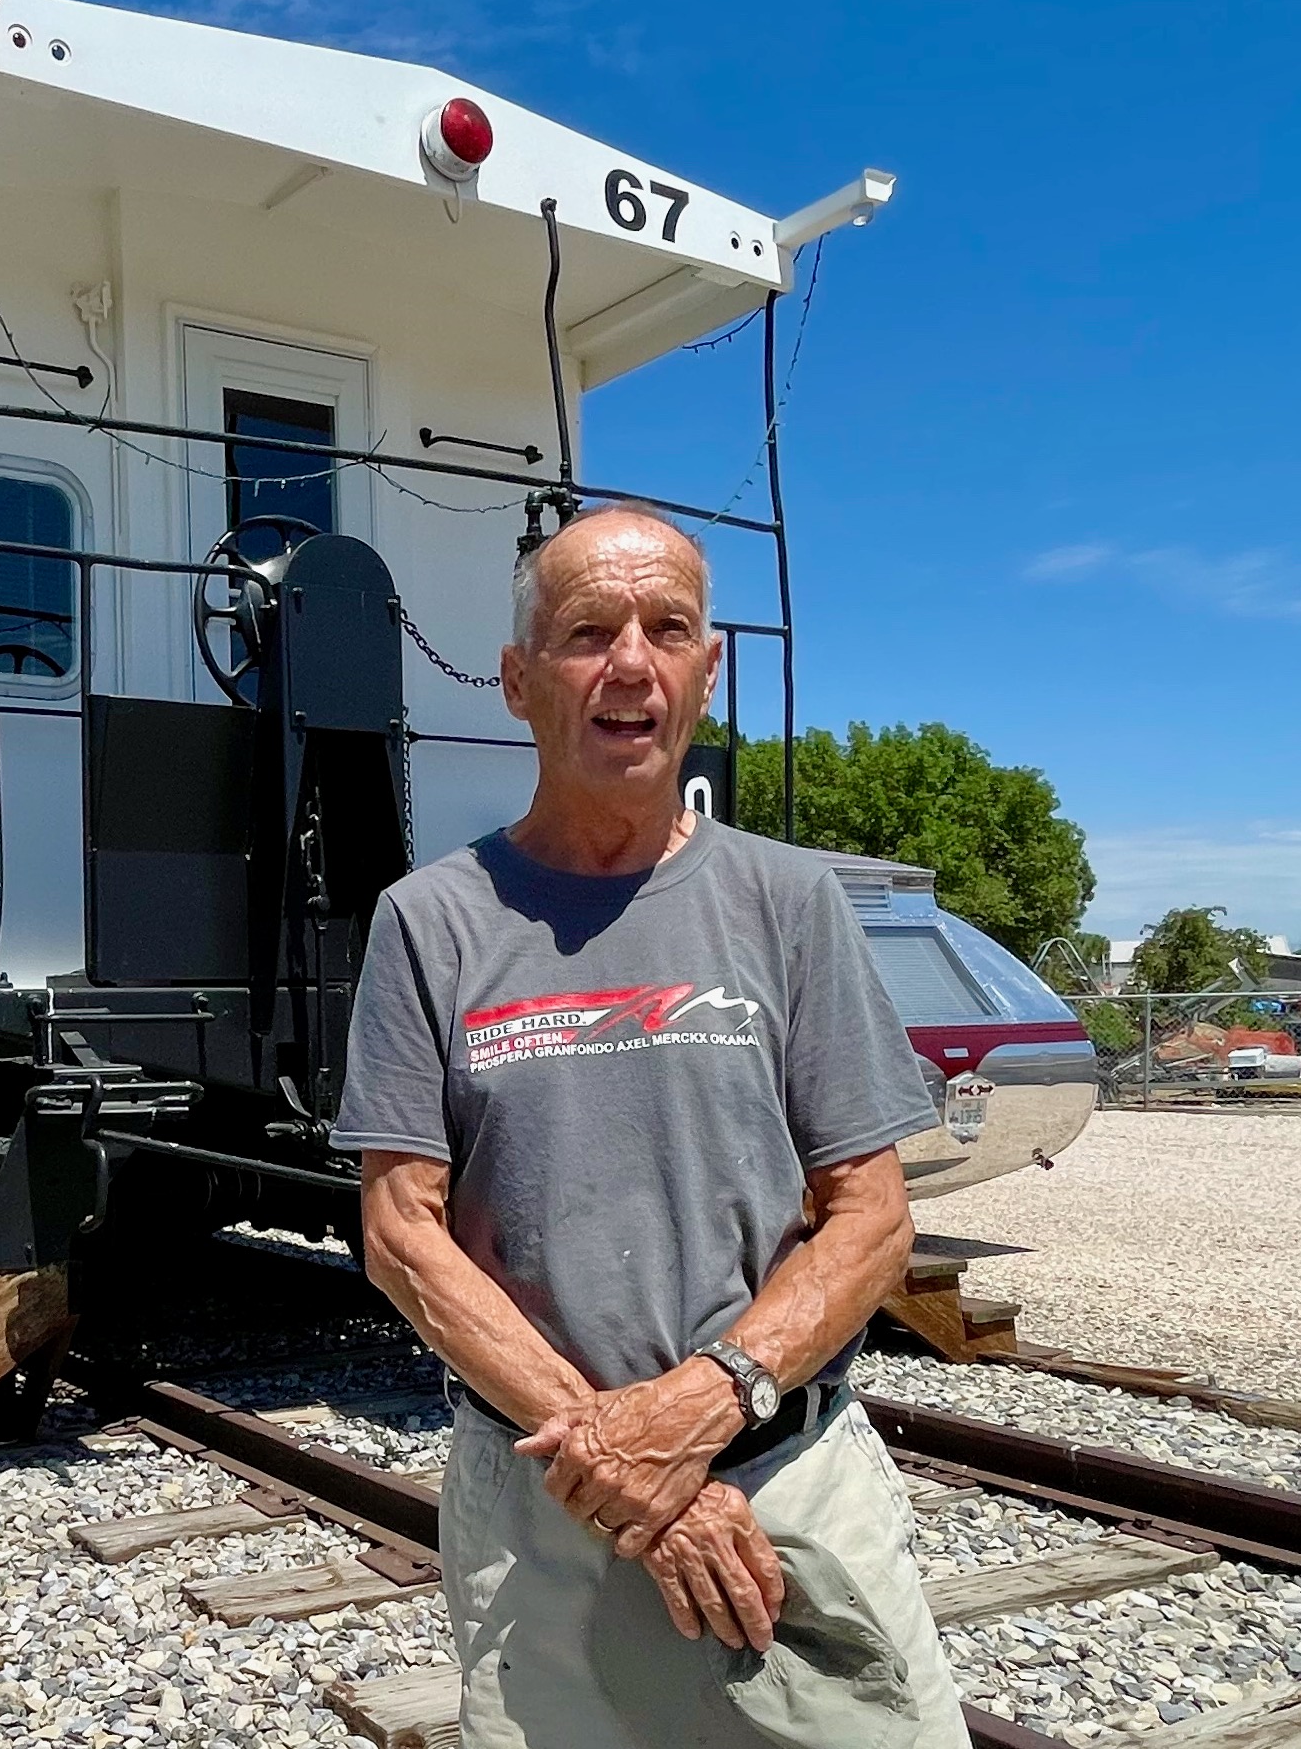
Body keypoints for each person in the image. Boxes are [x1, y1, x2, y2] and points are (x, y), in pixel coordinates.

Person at [334, 506, 966, 1748]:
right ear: (520, 681)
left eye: (666, 628)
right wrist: (629, 1474)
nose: (631, 661)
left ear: (705, 671)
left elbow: (872, 1218)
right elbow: (402, 1236)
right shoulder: (430, 921)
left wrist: (707, 1406)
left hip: (787, 1478)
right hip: (542, 1500)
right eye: (587, 633)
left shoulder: (790, 905)